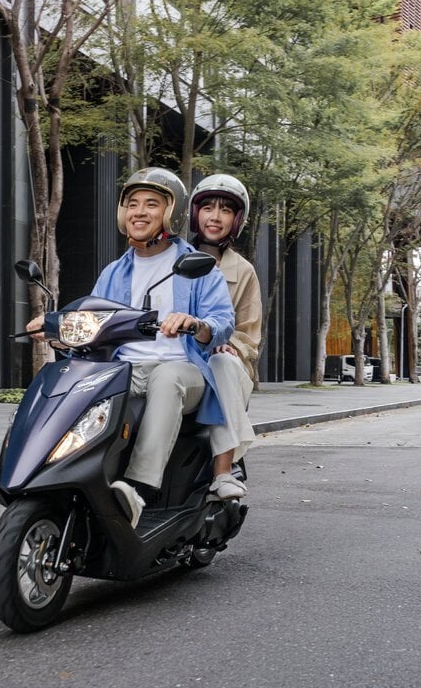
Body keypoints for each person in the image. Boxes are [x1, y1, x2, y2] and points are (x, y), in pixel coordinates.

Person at [27, 167, 234, 527]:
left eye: (152, 204)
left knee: (167, 378)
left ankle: (140, 487)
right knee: (74, 382)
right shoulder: (113, 273)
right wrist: (56, 332)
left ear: (171, 213)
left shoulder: (199, 269)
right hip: (125, 369)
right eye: (132, 204)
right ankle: (66, 478)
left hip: (183, 370)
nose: (139, 212)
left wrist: (194, 323)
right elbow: (95, 325)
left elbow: (222, 324)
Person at [188, 173, 262, 501]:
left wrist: (226, 342)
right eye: (208, 208)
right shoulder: (171, 258)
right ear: (194, 213)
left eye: (225, 210)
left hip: (227, 365)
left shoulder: (242, 270)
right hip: (182, 360)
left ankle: (223, 470)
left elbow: (249, 335)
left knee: (219, 361)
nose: (215, 217)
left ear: (237, 220)